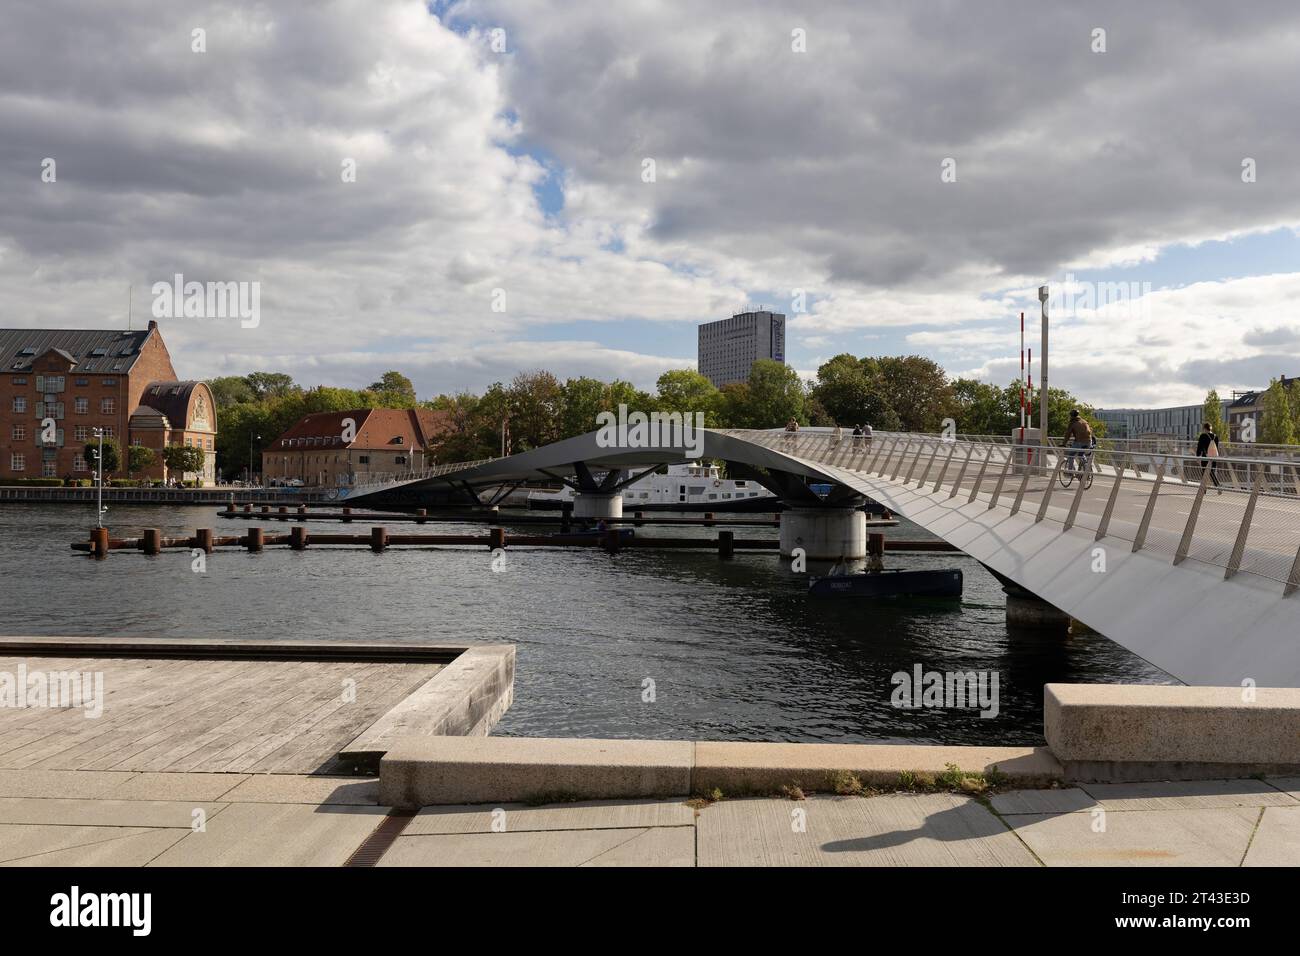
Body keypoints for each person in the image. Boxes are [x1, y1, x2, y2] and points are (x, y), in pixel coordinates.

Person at [1063, 410, 1093, 474]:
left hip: (1079, 442)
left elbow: (1068, 434)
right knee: (1081, 454)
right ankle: (1086, 466)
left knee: (1071, 455)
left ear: (1071, 416)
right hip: (1089, 441)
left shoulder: (1073, 423)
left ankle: (1070, 472)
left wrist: (1064, 444)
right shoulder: (1084, 421)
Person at [1196, 421, 1222, 494]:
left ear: (1204, 428)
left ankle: (1203, 490)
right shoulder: (1215, 436)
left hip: (1205, 457)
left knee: (1204, 473)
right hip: (1213, 457)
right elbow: (1216, 447)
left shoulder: (1203, 436)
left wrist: (1198, 456)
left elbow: (1199, 447)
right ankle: (1218, 486)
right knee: (1212, 472)